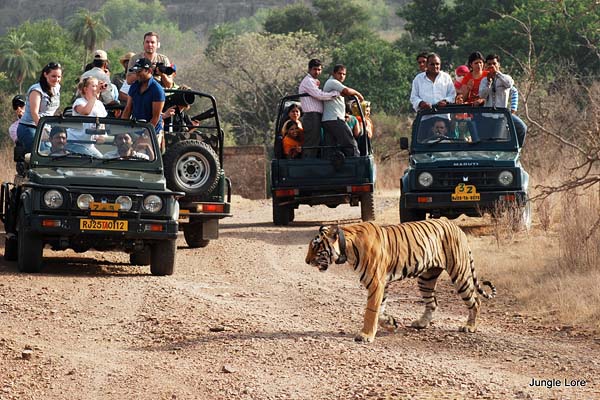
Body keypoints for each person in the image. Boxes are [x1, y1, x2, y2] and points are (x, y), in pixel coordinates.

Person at [121, 57, 166, 150]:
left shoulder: (157, 90)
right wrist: (122, 129)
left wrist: (145, 136)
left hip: (152, 131)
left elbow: (155, 118)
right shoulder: (134, 86)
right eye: (135, 71)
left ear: (149, 70)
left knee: (147, 156)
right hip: (136, 128)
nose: (137, 74)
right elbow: (128, 109)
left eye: (139, 71)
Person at [298, 59, 340, 158]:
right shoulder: (308, 81)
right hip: (311, 116)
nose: (317, 72)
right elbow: (319, 95)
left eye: (319, 69)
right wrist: (335, 94)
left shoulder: (313, 81)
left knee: (317, 142)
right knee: (311, 143)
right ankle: (308, 166)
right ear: (309, 69)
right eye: (315, 69)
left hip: (316, 116)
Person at [17, 62, 62, 152]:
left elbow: (50, 110)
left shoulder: (57, 88)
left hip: (46, 128)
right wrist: (43, 130)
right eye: (53, 76)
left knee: (54, 153)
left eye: (59, 77)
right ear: (45, 74)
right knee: (43, 154)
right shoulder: (36, 90)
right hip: (30, 128)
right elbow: (34, 113)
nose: (56, 79)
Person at [322, 64, 364, 157]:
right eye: (339, 73)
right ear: (333, 73)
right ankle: (356, 165)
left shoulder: (336, 84)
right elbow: (347, 91)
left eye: (344, 74)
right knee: (351, 144)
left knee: (331, 148)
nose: (342, 76)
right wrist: (359, 94)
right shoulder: (332, 82)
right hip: (334, 119)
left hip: (329, 120)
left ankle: (332, 169)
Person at [66, 77, 108, 157]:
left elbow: (102, 123)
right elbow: (86, 111)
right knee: (93, 160)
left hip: (89, 145)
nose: (96, 88)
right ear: (85, 89)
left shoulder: (99, 104)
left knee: (101, 160)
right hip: (74, 142)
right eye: (94, 86)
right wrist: (95, 95)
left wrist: (101, 136)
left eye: (97, 86)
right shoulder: (79, 102)